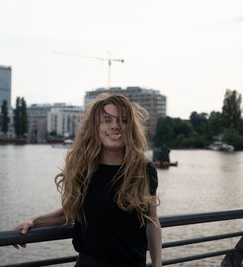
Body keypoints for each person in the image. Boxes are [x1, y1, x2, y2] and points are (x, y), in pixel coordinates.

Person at [12, 94, 162, 267]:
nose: (115, 126)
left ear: (130, 127)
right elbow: (70, 212)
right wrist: (34, 222)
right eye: (107, 120)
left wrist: (157, 264)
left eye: (123, 120)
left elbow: (152, 221)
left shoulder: (143, 170)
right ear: (96, 126)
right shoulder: (84, 170)